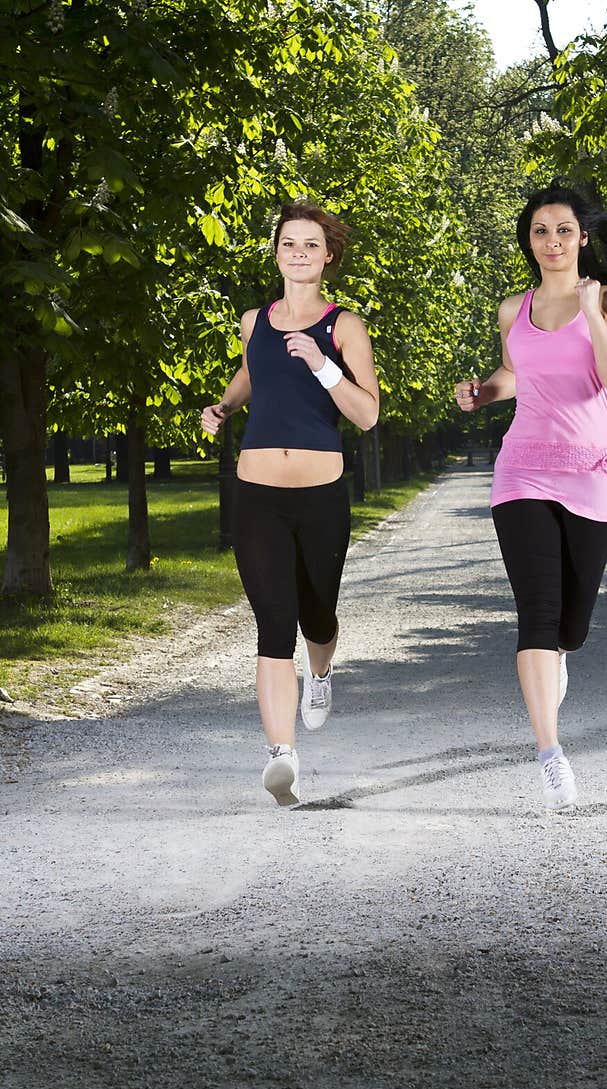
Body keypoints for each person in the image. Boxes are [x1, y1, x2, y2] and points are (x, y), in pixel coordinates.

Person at [454, 181, 607, 813]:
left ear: (582, 238)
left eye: (564, 230)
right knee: (536, 611)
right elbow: (518, 372)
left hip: (591, 473)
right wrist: (483, 391)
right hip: (523, 471)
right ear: (529, 241)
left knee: (572, 626)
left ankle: (559, 657)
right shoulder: (515, 309)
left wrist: (592, 313)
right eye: (541, 231)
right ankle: (550, 753)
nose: (553, 241)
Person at [202, 200, 379, 807]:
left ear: (327, 256)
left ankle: (322, 672)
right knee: (273, 623)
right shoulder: (254, 320)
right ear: (276, 253)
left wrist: (324, 366)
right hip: (256, 495)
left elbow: (367, 413)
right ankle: (282, 757)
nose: (299, 254)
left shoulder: (343, 326)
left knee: (317, 616)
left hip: (321, 494)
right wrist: (223, 408)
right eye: (288, 244)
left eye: (310, 245)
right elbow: (252, 374)